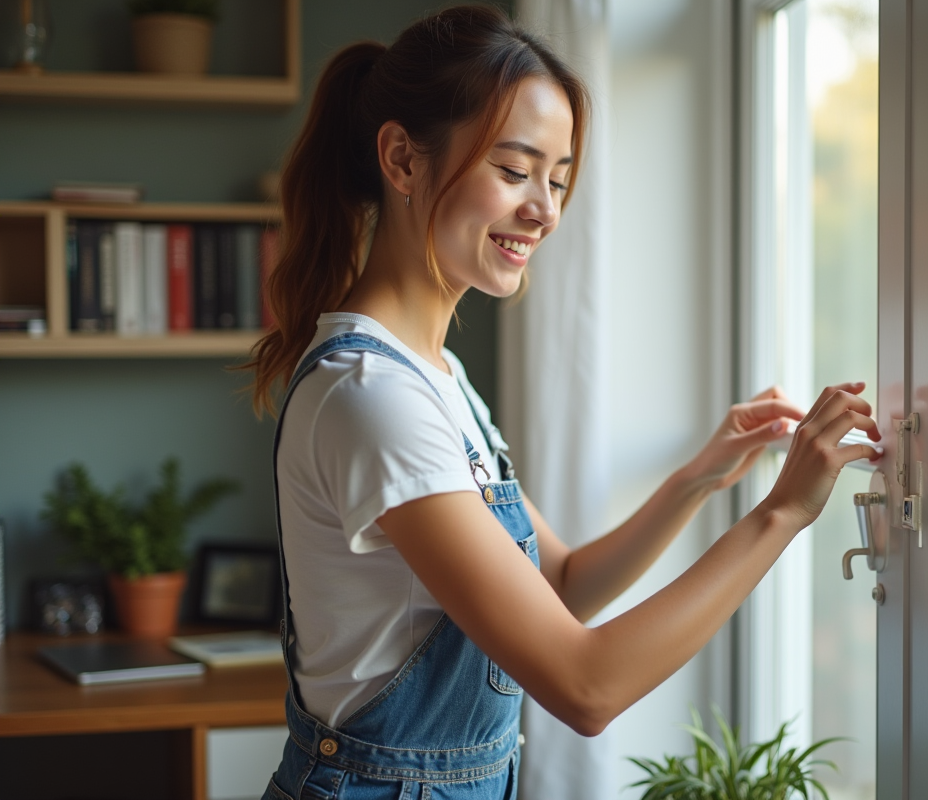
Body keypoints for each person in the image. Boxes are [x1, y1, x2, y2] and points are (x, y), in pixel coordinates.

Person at [247, 5, 882, 799]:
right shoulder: (373, 399)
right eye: (514, 171)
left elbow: (562, 584)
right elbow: (585, 688)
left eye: (557, 177)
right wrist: (781, 513)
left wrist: (698, 477)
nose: (545, 209)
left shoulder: (436, 377)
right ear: (402, 160)